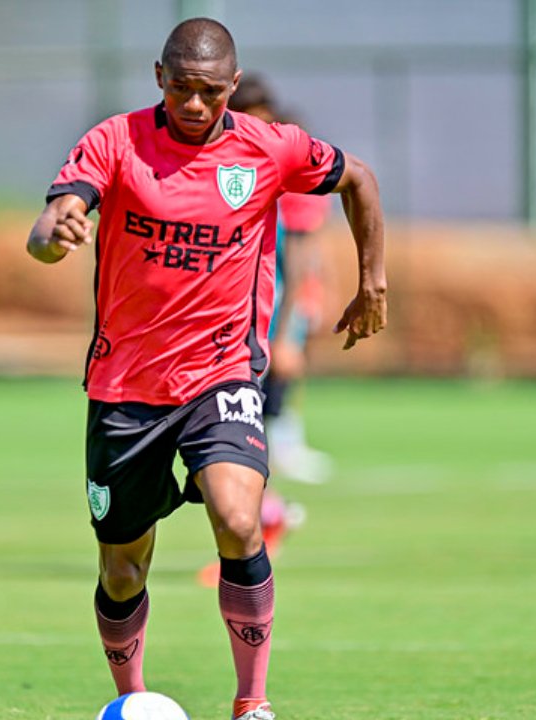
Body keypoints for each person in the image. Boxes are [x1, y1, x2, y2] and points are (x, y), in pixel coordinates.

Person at [27, 18, 387, 720]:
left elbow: (360, 181)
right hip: (124, 389)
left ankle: (252, 702)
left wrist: (372, 282)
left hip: (221, 374)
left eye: (211, 92)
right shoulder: (115, 140)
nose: (195, 106)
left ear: (232, 86)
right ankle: (130, 704)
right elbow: (57, 216)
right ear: (159, 78)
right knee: (123, 566)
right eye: (183, 89)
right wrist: (54, 234)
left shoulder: (268, 147)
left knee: (237, 518)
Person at [229, 74, 336, 487]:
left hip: (277, 298)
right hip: (244, 301)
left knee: (280, 371)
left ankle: (283, 443)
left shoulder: (288, 175)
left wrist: (290, 329)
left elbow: (301, 254)